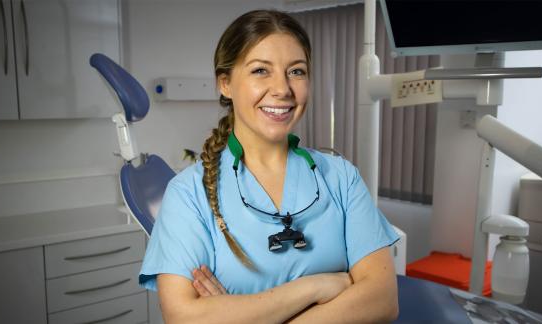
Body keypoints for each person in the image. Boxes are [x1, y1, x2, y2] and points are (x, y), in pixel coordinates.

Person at [139, 9, 400, 323]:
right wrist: (316, 287)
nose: (282, 89)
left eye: (297, 71)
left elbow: (382, 301)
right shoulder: (188, 193)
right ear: (225, 83)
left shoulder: (341, 177)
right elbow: (185, 318)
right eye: (261, 71)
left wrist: (242, 314)